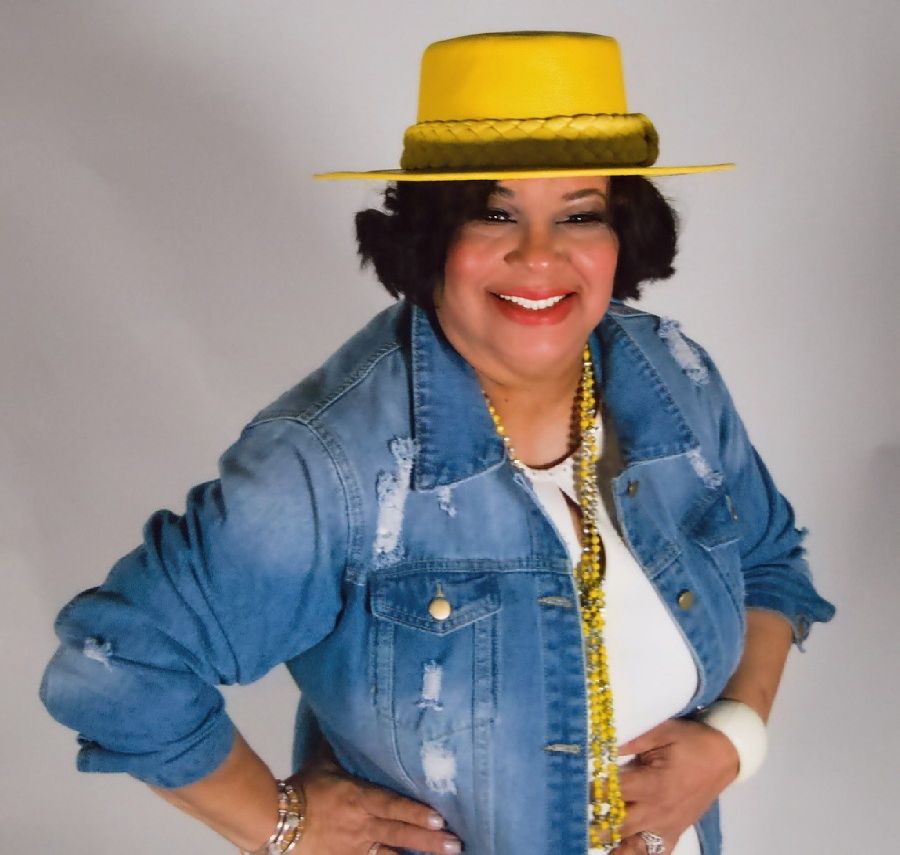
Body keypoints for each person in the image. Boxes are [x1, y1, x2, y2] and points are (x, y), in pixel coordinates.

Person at [40, 31, 835, 855]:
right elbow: (116, 665)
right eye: (494, 212)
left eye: (580, 214)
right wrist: (281, 824)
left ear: (620, 233)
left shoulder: (669, 375)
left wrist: (733, 741)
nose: (539, 255)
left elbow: (768, 559)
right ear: (431, 235)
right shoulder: (331, 463)